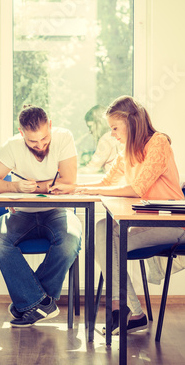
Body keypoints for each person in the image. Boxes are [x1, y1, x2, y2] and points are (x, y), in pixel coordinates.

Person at [50, 95, 185, 335]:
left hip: (170, 223)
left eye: (114, 128)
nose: (112, 134)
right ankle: (128, 312)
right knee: (102, 229)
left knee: (108, 247)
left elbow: (137, 189)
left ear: (131, 121)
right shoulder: (127, 150)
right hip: (143, 223)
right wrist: (74, 186)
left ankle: (125, 312)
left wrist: (82, 189)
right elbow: (107, 181)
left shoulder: (158, 142)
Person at [0, 105, 82, 328]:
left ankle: (27, 304)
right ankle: (40, 303)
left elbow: (68, 182)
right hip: (22, 213)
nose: (41, 145)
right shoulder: (12, 146)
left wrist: (36, 186)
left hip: (57, 212)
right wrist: (16, 186)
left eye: (45, 138)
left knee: (70, 240)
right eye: (33, 142)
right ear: (21, 133)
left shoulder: (64, 138)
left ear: (51, 126)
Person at [79, 105, 123, 174]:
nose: (90, 131)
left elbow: (92, 168)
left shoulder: (106, 139)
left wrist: (72, 172)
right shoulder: (117, 136)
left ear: (99, 123)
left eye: (90, 126)